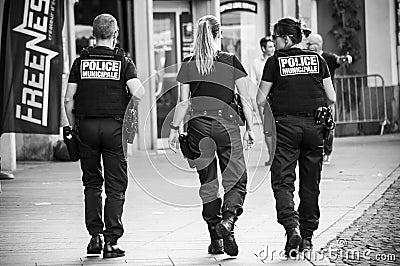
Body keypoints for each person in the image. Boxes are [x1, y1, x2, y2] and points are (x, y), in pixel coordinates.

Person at [168, 15, 255, 257]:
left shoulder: (188, 63)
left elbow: (183, 102)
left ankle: (216, 239)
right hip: (226, 125)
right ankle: (228, 221)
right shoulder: (231, 61)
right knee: (236, 179)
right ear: (219, 34)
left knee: (208, 183)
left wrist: (174, 131)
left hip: (198, 126)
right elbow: (245, 99)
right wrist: (250, 127)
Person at [64, 14, 145, 259]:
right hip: (114, 129)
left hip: (86, 128)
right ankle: (112, 241)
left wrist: (73, 126)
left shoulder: (81, 62)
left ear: (93, 33)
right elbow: (139, 93)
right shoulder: (123, 61)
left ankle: (95, 237)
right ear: (115, 33)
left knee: (91, 183)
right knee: (116, 186)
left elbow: (68, 99)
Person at [256, 17, 336, 256]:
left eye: (276, 38)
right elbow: (330, 97)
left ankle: (292, 228)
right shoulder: (317, 59)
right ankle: (308, 237)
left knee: (283, 181)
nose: (274, 42)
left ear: (287, 38)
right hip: (314, 129)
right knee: (311, 184)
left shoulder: (274, 62)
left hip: (286, 128)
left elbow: (260, 99)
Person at [307, 33, 352, 164]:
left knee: (328, 125)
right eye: (308, 44)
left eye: (311, 44)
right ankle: (316, 150)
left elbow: (339, 60)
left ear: (319, 44)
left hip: (326, 98)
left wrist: (345, 58)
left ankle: (327, 151)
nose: (309, 46)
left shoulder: (328, 57)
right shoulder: (307, 57)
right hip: (311, 97)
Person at [249, 37, 275, 118]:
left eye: (274, 46)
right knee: (265, 126)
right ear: (263, 48)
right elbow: (252, 82)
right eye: (270, 47)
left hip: (275, 98)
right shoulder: (256, 63)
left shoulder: (276, 61)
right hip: (262, 98)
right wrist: (253, 101)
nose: (273, 49)